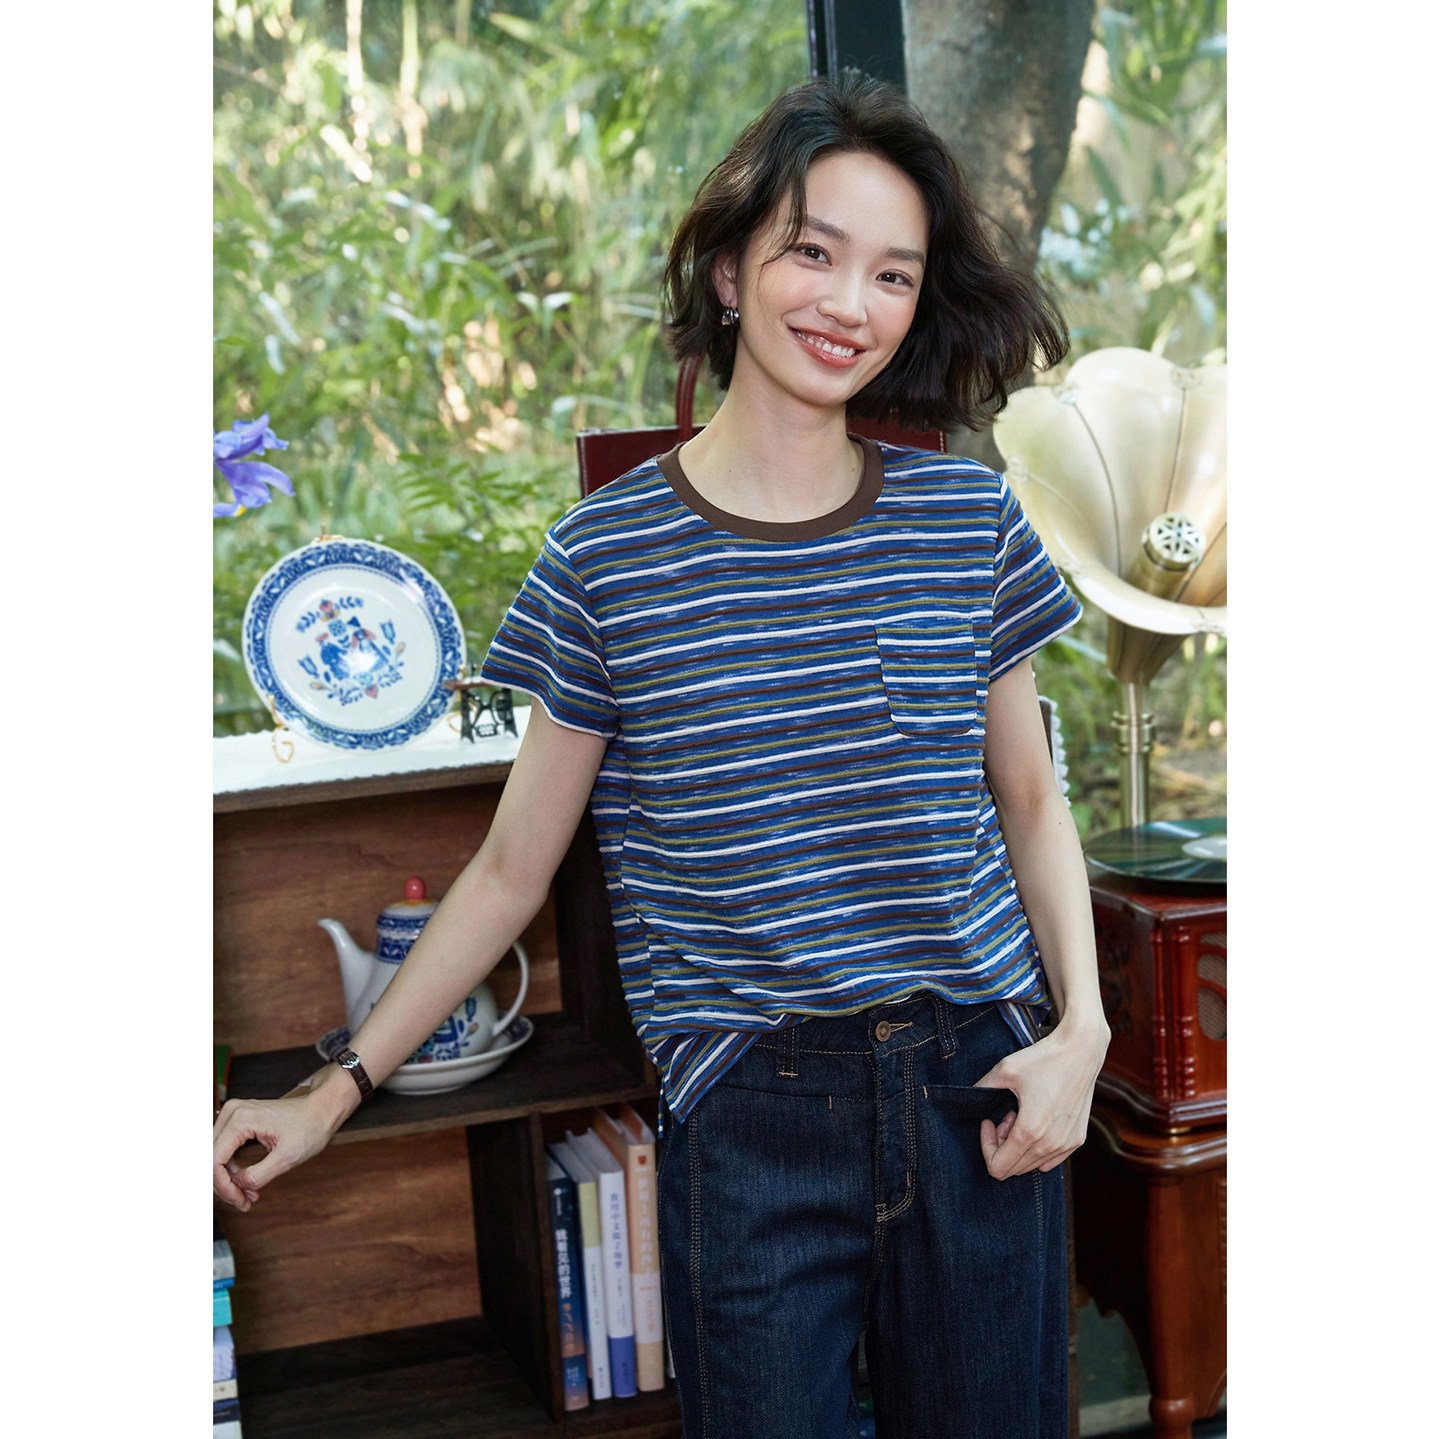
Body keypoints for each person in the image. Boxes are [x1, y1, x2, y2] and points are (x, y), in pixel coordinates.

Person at [214, 73, 1110, 1439]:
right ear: (729, 271)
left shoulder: (964, 517)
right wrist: (330, 1093)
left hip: (979, 1087)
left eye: (893, 274)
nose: (850, 303)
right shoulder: (605, 556)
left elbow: (1031, 801)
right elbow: (511, 870)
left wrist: (1079, 1036)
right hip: (750, 1120)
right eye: (812, 251)